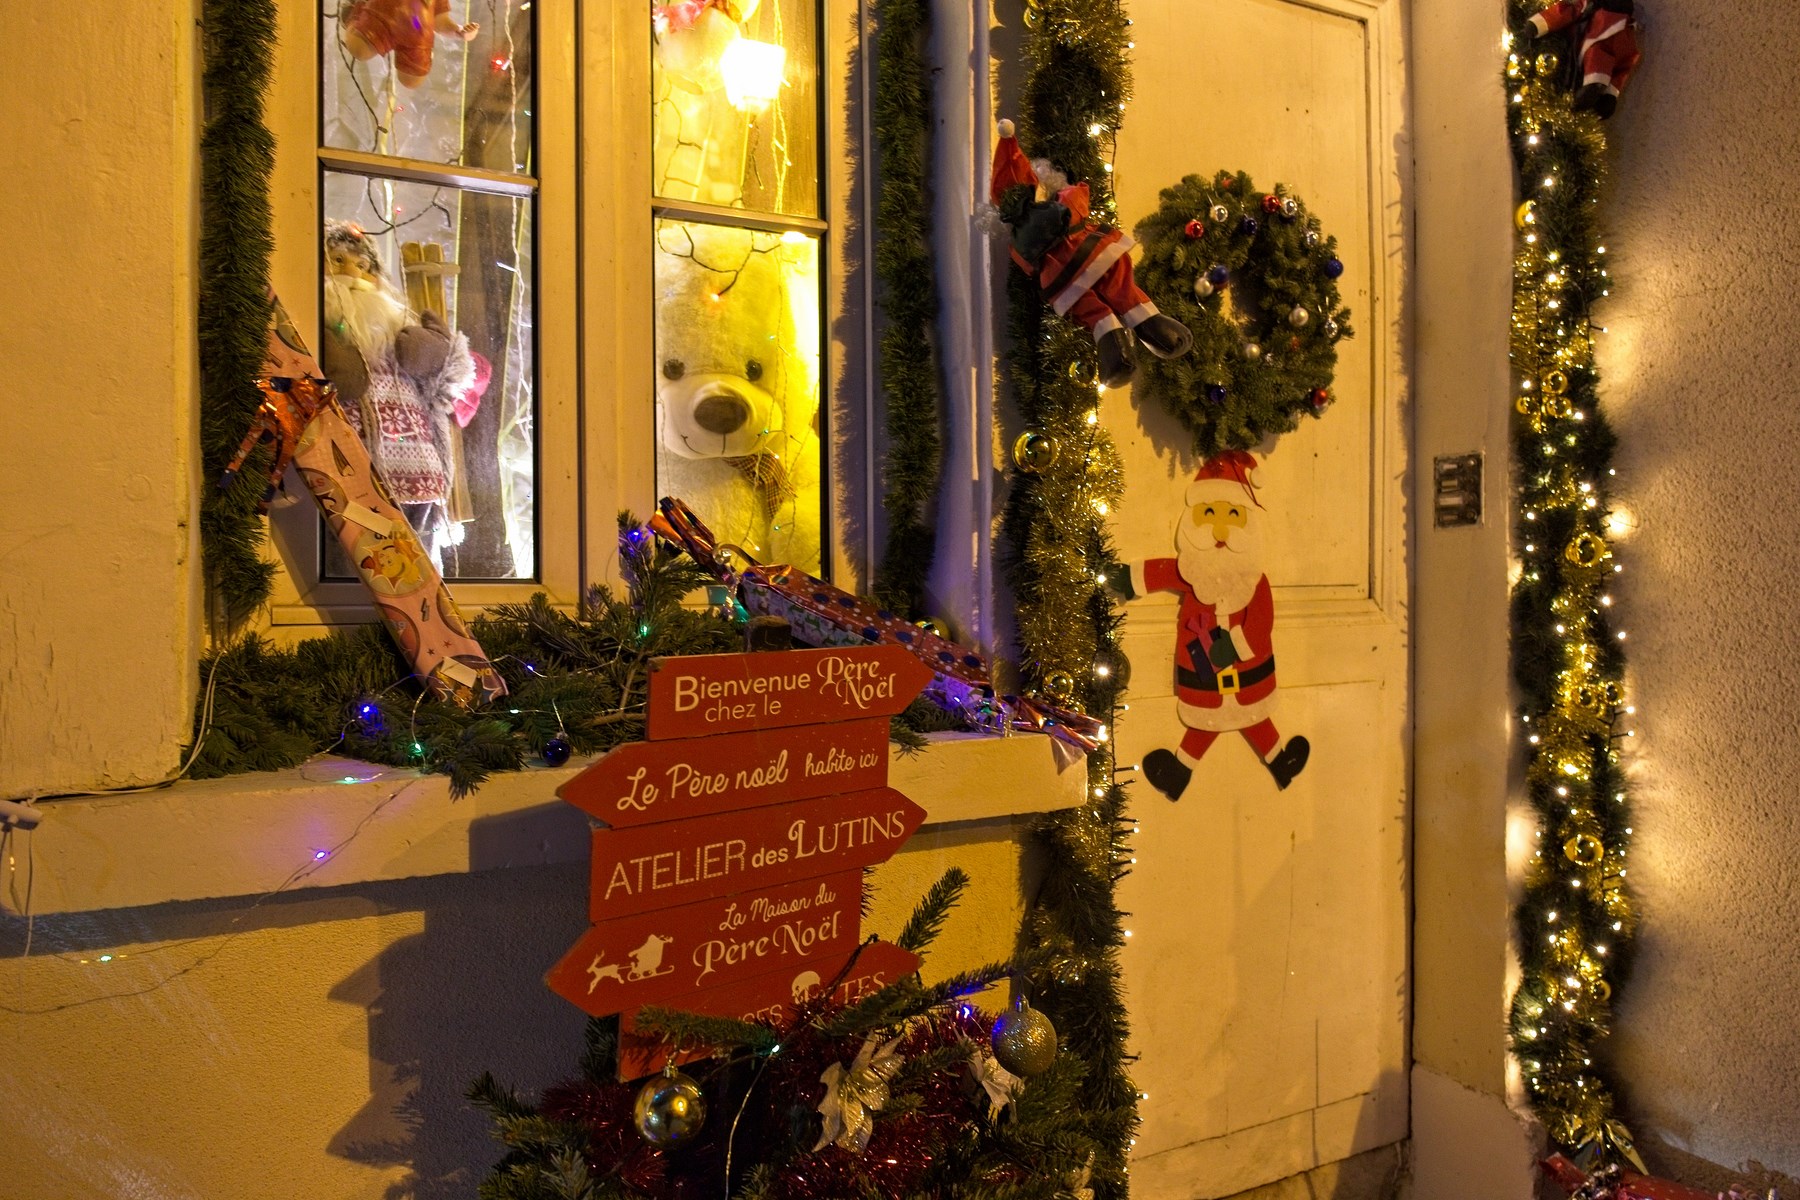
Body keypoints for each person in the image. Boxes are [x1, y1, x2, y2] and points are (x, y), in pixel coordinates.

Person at [1108, 451, 1310, 800]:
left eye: (1232, 515)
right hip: (1200, 659)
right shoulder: (1193, 568)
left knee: (1251, 713)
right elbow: (1166, 571)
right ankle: (1183, 771)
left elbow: (1261, 621)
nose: (1219, 529)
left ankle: (1277, 761)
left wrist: (1234, 646)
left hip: (1248, 667)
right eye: (1209, 514)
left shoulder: (1255, 580)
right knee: (1207, 716)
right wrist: (1131, 578)